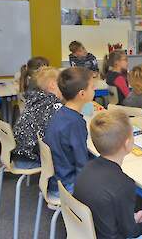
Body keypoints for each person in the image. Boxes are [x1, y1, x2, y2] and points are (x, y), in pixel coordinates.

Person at [73, 110, 142, 239]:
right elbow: (130, 233)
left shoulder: (87, 167)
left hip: (87, 232)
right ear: (127, 143)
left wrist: (132, 219)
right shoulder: (124, 184)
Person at [44, 67, 95, 195]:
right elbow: (82, 163)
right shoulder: (75, 123)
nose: (95, 89)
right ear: (82, 94)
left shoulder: (60, 113)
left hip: (56, 179)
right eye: (92, 87)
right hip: (67, 186)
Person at [12, 67, 63, 169]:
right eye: (62, 84)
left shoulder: (35, 99)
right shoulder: (53, 104)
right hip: (31, 160)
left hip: (18, 156)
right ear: (52, 85)